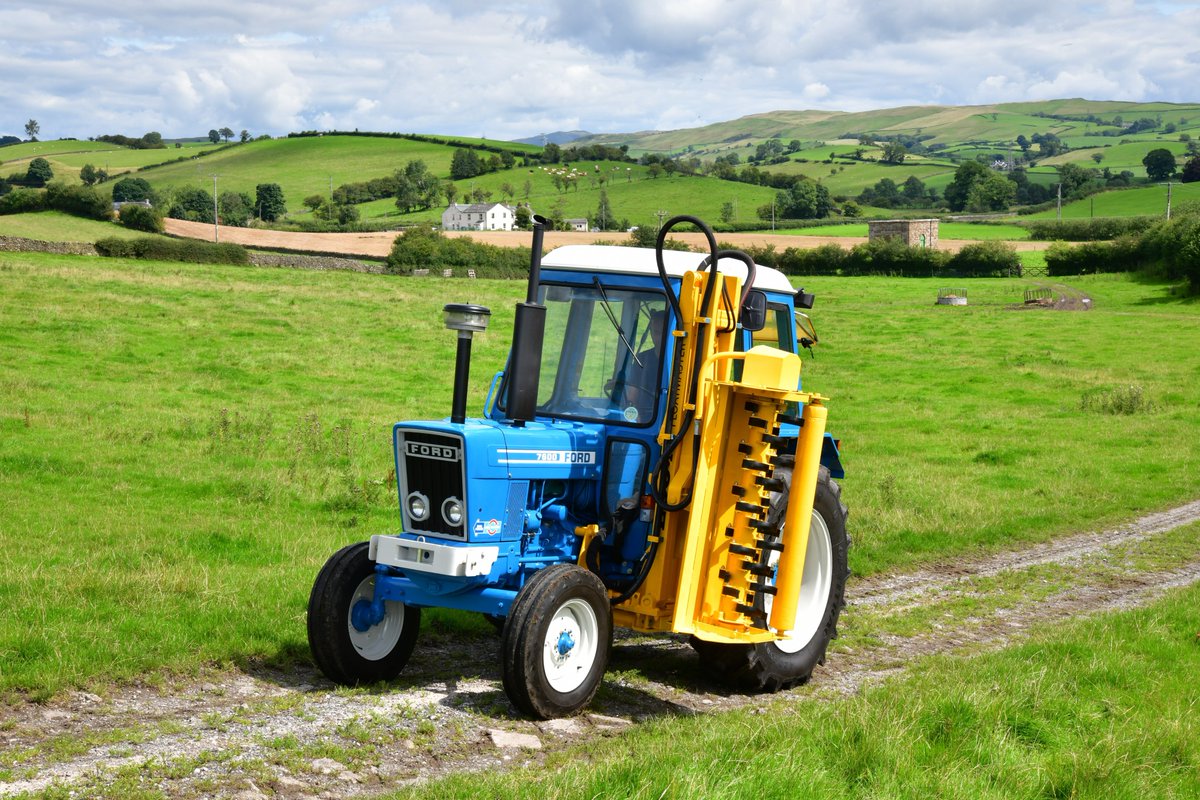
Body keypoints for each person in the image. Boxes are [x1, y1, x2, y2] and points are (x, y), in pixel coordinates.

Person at [616, 310, 666, 420]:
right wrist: (635, 418)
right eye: (656, 332)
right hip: (645, 420)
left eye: (663, 333)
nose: (659, 338)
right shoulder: (642, 359)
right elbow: (632, 397)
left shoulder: (678, 362)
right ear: (651, 333)